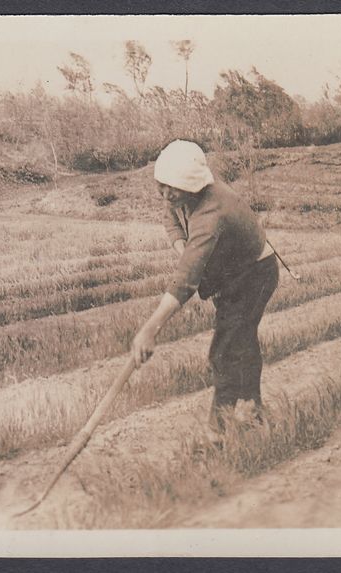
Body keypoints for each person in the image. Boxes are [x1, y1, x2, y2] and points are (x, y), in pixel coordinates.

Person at [130, 140, 280, 435]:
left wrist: (150, 329)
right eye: (161, 186)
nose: (165, 194)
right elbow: (171, 219)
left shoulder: (213, 211)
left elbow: (186, 279)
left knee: (224, 351)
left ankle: (218, 433)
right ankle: (253, 408)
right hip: (231, 275)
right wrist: (184, 248)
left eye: (172, 188)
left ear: (194, 185)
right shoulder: (178, 196)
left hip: (254, 276)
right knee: (243, 341)